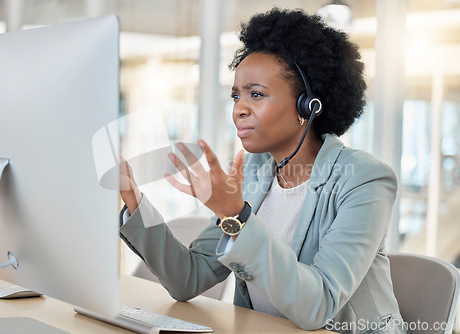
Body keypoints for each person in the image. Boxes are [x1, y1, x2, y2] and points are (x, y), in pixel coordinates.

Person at [119, 8, 405, 333]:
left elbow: (318, 305)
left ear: (307, 106)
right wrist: (134, 199)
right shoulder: (255, 173)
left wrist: (237, 216)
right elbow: (190, 278)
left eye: (256, 94)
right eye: (236, 96)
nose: (239, 109)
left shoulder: (364, 179)